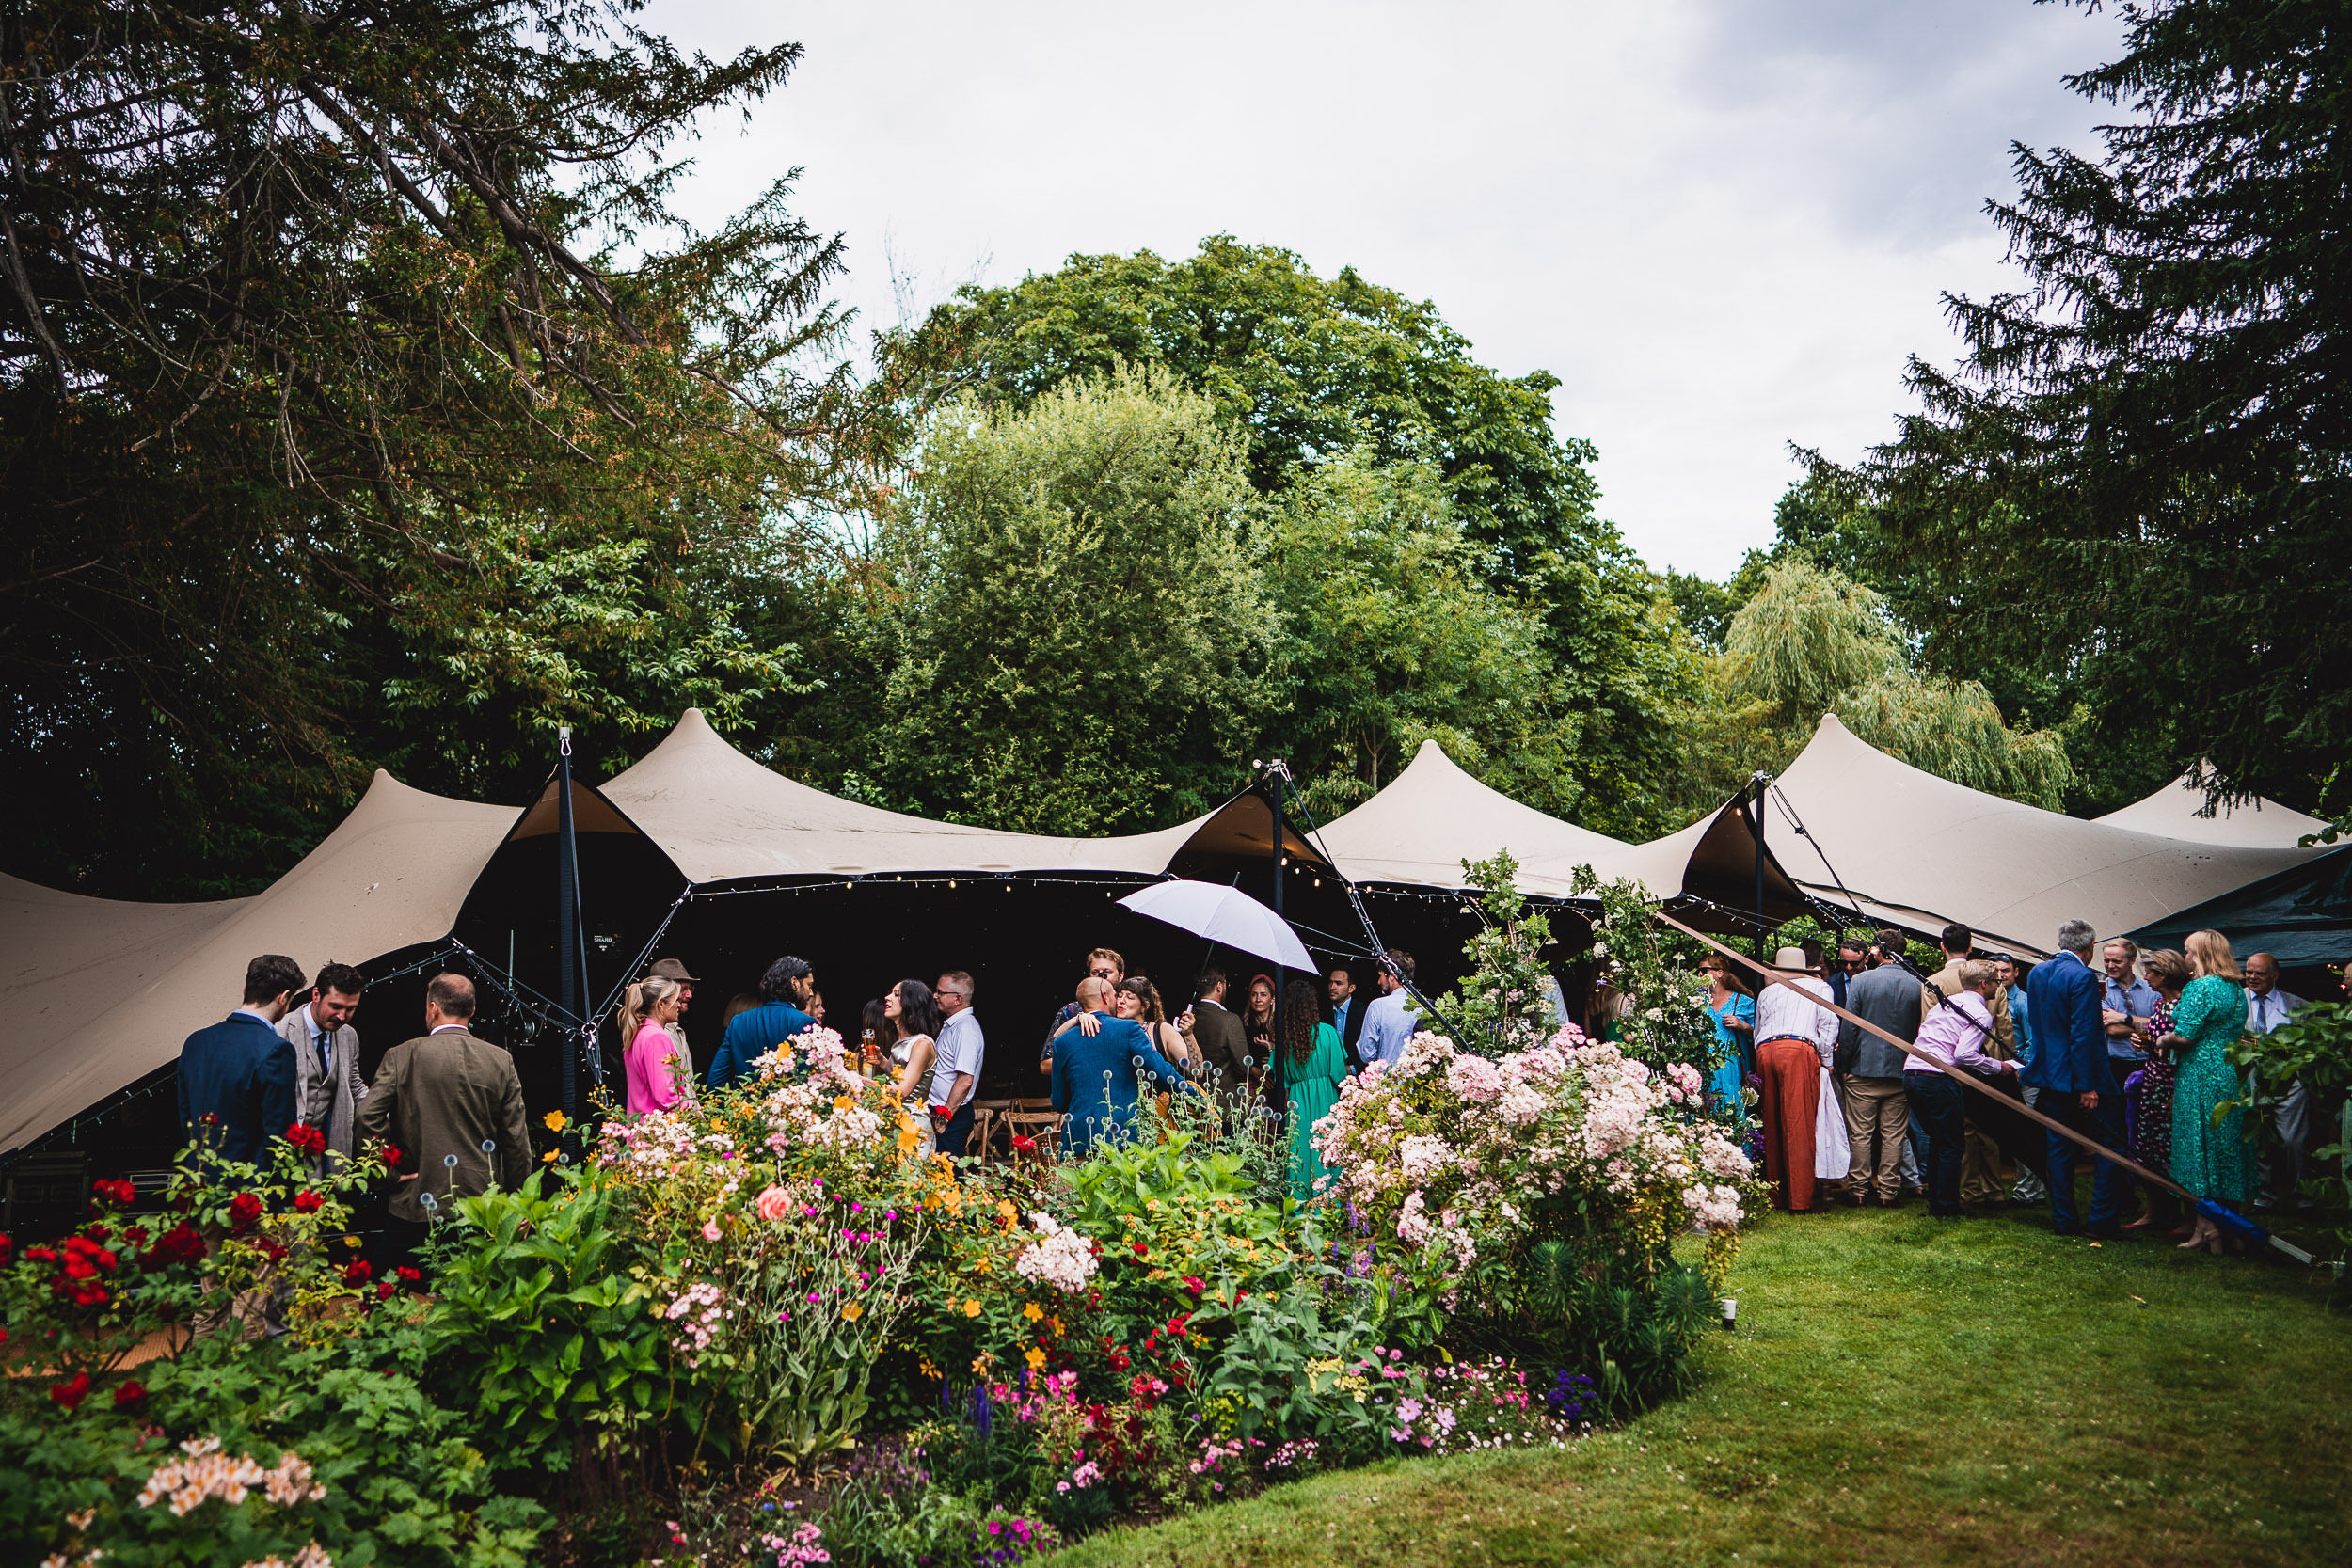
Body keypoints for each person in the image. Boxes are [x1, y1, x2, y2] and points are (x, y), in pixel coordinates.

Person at [356, 974, 532, 1265]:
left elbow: (366, 1115)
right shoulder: (500, 1060)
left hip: (416, 1196)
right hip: (480, 1201)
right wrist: (517, 1202)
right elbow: (516, 1138)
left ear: (433, 1008)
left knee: (386, 1295)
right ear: (472, 1011)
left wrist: (386, 1173)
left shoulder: (402, 1055)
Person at [2022, 919, 2127, 1238]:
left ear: (2060, 943)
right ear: (2090, 947)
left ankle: (2064, 1219)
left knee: (2058, 1148)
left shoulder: (2038, 972)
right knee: (2114, 1143)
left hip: (2047, 1072)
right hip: (2078, 1075)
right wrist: (2087, 1085)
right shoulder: (2082, 976)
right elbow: (2083, 1033)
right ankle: (2102, 1220)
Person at [1905, 959, 2020, 1217]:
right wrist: (1997, 1066)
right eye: (1997, 982)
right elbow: (1965, 1054)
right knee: (1951, 1145)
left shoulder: (1947, 1002)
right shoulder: (1980, 1012)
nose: (1999, 986)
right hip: (1937, 1076)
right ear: (1984, 985)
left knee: (1938, 1140)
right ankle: (1946, 1207)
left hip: (1912, 1073)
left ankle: (1936, 1201)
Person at [2168, 929, 2255, 1254]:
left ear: (2202, 955)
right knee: (2224, 1148)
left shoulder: (2200, 987)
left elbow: (2185, 1036)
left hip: (2200, 1075)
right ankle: (2223, 1227)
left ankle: (2207, 1228)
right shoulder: (2235, 989)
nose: (2185, 958)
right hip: (2230, 1073)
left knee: (2198, 1148)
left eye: (2189, 952)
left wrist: (2163, 1039)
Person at [181, 954, 305, 1167]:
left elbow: (186, 1118)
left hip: (199, 1178)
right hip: (248, 1189)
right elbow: (278, 1134)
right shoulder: (276, 1050)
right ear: (283, 998)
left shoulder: (196, 1041)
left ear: (245, 990)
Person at [1922, 925, 2013, 1206]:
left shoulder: (1932, 982)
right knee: (1988, 1128)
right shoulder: (1990, 981)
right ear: (1970, 945)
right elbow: (2003, 1026)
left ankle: (1969, 1190)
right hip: (1985, 1063)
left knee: (1960, 1130)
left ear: (1942, 946)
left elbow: (1929, 1024)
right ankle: (1994, 1189)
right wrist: (2001, 1064)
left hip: (1946, 1066)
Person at [1048, 985, 1191, 1153]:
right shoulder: (1128, 1028)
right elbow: (1161, 1072)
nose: (1119, 1001)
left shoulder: (1061, 1042)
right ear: (1105, 996)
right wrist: (1196, 1096)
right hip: (1124, 1141)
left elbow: (1059, 1102)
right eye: (1116, 995)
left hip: (1078, 1141)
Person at [1752, 944, 1840, 1213]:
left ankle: (1776, 1195)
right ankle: (1800, 1200)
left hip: (1766, 1050)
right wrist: (1827, 1061)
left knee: (1772, 1120)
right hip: (1797, 1049)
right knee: (1798, 1122)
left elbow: (1758, 1028)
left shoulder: (1767, 992)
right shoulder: (1821, 988)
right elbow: (1828, 1025)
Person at [1838, 928, 1922, 1209]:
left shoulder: (1862, 981)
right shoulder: (1916, 984)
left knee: (1860, 1134)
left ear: (1877, 952)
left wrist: (1845, 1065)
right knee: (1894, 1135)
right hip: (1901, 1069)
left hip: (1863, 1068)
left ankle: (1859, 1190)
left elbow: (1850, 1028)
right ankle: (1888, 1192)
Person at [2124, 948, 2191, 1237]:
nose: (2146, 977)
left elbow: (2185, 1050)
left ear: (2163, 975)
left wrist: (2177, 1092)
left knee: (2175, 1151)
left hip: (2171, 1083)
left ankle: (2185, 1216)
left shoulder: (2183, 1006)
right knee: (2148, 1149)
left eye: (2150, 973)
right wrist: (2147, 1044)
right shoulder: (2161, 1004)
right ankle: (2155, 1212)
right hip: (2153, 1080)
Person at [278, 961, 368, 1165]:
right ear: (316, 995)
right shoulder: (279, 1031)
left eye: (350, 1009)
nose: (342, 1016)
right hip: (283, 1156)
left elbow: (354, 1086)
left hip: (329, 1153)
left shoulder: (348, 1036)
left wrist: (383, 1112)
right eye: (335, 1007)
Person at [2243, 951, 2311, 1210]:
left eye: (2259, 973)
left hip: (2289, 1081)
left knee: (2295, 1140)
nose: (2252, 977)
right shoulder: (2237, 1003)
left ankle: (2304, 1198)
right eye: (2249, 971)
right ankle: (2263, 1197)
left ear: (2275, 975)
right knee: (2256, 1139)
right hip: (2250, 1079)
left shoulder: (2297, 1005)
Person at [1281, 976, 1349, 1199]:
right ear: (1312, 1004)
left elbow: (1282, 1078)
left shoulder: (1285, 1039)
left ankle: (1299, 1207)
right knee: (1327, 1153)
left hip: (1298, 1102)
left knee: (1299, 1154)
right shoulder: (1328, 1033)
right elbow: (1340, 1075)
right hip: (1327, 1100)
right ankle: (1330, 1207)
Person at [708, 956, 818, 1087]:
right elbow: (807, 1080)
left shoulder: (738, 1022)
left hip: (743, 1106)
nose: (811, 993)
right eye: (809, 985)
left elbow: (716, 1082)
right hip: (786, 1107)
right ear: (794, 983)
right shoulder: (805, 1023)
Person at [1998, 956, 2047, 1205]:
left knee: (2027, 1133)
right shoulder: (1994, 1000)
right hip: (2004, 1074)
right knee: (2015, 1133)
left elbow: (2033, 1040)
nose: (2001, 975)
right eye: (1996, 971)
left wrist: (2021, 1067)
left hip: (2025, 1075)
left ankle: (2029, 1193)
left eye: (2005, 970)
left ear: (2016, 972)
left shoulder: (2024, 1002)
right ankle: (2026, 1190)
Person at [881, 979, 942, 1156]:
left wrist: (860, 1081)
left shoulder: (922, 1044)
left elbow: (903, 1091)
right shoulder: (903, 1041)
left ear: (912, 1004)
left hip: (913, 1127)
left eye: (896, 994)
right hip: (895, 1121)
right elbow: (899, 1075)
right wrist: (883, 1062)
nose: (887, 997)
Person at [619, 974, 693, 1115]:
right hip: (658, 1130)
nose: (679, 1005)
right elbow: (665, 1095)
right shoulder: (656, 1037)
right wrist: (690, 1109)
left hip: (640, 1127)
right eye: (675, 1000)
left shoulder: (639, 1032)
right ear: (661, 1004)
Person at [930, 972, 985, 1158]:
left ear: (957, 999)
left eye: (940, 992)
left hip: (951, 1114)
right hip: (944, 1112)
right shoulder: (955, 1026)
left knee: (951, 1175)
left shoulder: (965, 1029)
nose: (934, 996)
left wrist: (944, 1117)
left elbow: (965, 1080)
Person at [1698, 956, 1755, 1115]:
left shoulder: (1742, 1001)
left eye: (1704, 970)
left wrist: (1741, 1025)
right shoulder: (1697, 1001)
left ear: (1720, 973)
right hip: (1703, 1066)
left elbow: (1758, 1035)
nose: (1700, 975)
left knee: (1732, 1109)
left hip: (1731, 1067)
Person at [1186, 968, 1251, 1101]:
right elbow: (1244, 1067)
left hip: (1191, 1099)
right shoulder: (1230, 1020)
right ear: (1219, 986)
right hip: (1222, 1103)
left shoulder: (1186, 1019)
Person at [644, 958, 700, 1101]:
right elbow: (665, 1093)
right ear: (662, 996)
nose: (690, 995)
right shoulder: (657, 1035)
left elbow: (687, 1086)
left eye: (691, 989)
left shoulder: (676, 1031)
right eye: (683, 990)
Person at [1359, 951, 1421, 1071]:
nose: (1378, 982)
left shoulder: (1377, 1006)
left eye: (1381, 976)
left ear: (1392, 977)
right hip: (1421, 1087)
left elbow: (1366, 1054)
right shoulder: (1425, 1005)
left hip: (1388, 1084)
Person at [1114, 976, 1189, 1069]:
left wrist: (1188, 1034)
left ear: (1145, 1006)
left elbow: (1195, 1071)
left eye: (1130, 997)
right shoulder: (1112, 1031)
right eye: (1119, 996)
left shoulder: (1163, 1031)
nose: (1121, 1001)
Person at [1326, 965, 1370, 1072]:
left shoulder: (1363, 1011)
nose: (1332, 987)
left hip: (1358, 1077)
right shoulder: (1323, 1012)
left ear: (1351, 988)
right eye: (1330, 982)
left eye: (1338, 983)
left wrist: (1353, 1069)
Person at [1242, 973, 1278, 1078]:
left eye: (1263, 995)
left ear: (1272, 999)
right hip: (1250, 1081)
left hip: (1276, 1080)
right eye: (1254, 994)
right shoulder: (1243, 1024)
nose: (1258, 999)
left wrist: (1273, 1055)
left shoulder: (1280, 1025)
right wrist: (1252, 1070)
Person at [1830, 941, 1867, 1010]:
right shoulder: (1831, 984)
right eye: (1844, 963)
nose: (1848, 967)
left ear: (1866, 959)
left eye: (1854, 964)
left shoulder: (1877, 980)